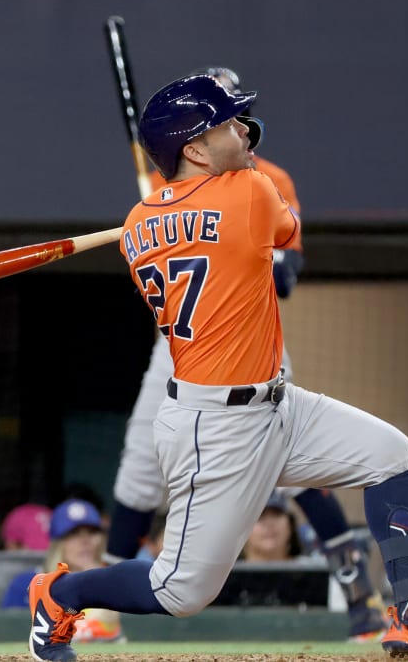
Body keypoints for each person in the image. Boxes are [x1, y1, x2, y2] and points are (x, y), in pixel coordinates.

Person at [24, 74, 408, 661]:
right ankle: (60, 593)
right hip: (214, 427)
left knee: (390, 455)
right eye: (226, 123)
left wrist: (180, 200)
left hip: (278, 402)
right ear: (193, 150)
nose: (244, 130)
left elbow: (200, 220)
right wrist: (220, 185)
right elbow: (280, 230)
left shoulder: (138, 226)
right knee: (180, 592)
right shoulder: (251, 192)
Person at [105, 65, 386, 642]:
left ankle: (362, 600)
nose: (235, 120)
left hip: (249, 335)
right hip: (180, 350)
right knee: (136, 469)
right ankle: (101, 615)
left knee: (304, 470)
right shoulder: (159, 197)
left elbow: (286, 276)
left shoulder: (264, 178)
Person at [2, 499, 123, 643]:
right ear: (57, 544)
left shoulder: (116, 580)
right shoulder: (26, 584)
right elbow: (8, 633)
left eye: (92, 532)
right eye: (73, 533)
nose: (85, 540)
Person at [239, 493, 303, 563]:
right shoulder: (226, 572)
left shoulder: (310, 568)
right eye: (259, 516)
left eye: (277, 514)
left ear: (290, 523)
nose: (269, 523)